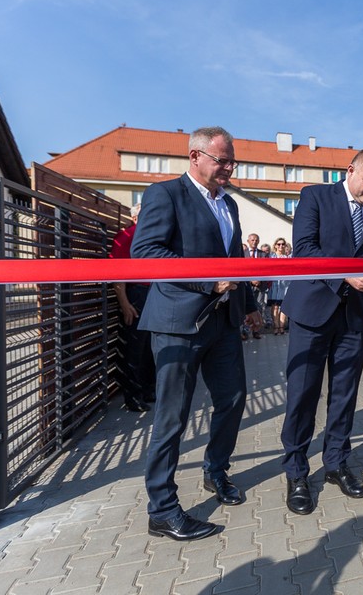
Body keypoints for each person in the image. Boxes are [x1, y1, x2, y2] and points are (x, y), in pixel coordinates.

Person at [131, 126, 262, 541]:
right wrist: (209, 282)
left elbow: (235, 261)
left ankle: (215, 471)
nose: (228, 168)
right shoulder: (165, 194)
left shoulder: (230, 205)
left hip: (223, 323)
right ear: (195, 156)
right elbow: (147, 253)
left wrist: (251, 308)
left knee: (233, 399)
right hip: (178, 324)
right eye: (221, 160)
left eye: (231, 161)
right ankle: (162, 509)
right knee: (173, 417)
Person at [280, 148, 363, 516]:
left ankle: (336, 462)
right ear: (351, 171)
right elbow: (304, 250)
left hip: (354, 318)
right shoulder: (315, 197)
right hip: (313, 311)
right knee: (303, 393)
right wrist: (346, 274)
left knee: (345, 393)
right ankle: (297, 471)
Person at [110, 203, 155, 412]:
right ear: (136, 218)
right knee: (134, 349)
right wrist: (125, 303)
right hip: (135, 294)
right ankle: (133, 397)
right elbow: (117, 274)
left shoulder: (148, 236)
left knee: (147, 347)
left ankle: (147, 390)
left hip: (150, 293)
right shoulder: (126, 237)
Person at [245, 233, 269, 338]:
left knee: (259, 307)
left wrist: (259, 279)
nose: (254, 242)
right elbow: (241, 269)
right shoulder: (242, 254)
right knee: (245, 308)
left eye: (256, 240)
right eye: (252, 240)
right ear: (248, 241)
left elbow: (266, 269)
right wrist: (250, 280)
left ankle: (256, 331)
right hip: (246, 285)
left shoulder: (263, 254)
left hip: (260, 285)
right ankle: (245, 331)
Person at [269, 238, 291, 335]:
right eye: (279, 244)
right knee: (275, 307)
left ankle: (282, 327)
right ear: (275, 245)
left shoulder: (288, 257)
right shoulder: (271, 257)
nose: (281, 246)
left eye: (283, 244)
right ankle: (276, 326)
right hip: (274, 284)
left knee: (283, 306)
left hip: (285, 285)